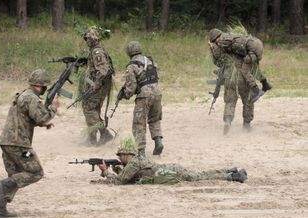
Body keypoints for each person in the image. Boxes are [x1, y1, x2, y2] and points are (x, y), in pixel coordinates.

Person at [0, 69, 59, 217]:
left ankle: (0, 210)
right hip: (20, 146)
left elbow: (27, 118)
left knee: (15, 175)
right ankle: (1, 185)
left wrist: (42, 125)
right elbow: (42, 117)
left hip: (7, 143)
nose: (45, 89)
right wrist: (54, 107)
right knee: (35, 172)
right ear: (39, 85)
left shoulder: (23, 95)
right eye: (44, 86)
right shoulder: (32, 98)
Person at [208, 28, 272, 134]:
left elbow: (218, 63)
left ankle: (228, 122)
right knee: (248, 101)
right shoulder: (243, 50)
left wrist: (212, 49)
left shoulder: (221, 49)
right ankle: (247, 125)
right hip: (244, 79)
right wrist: (263, 82)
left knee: (230, 102)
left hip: (230, 77)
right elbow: (255, 69)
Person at [98, 143, 247, 185]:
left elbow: (120, 182)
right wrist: (117, 169)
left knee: (199, 177)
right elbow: (130, 176)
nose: (120, 158)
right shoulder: (138, 159)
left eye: (121, 156)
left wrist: (106, 171)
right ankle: (229, 170)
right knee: (200, 174)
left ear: (127, 155)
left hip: (171, 173)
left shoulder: (133, 164)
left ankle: (233, 176)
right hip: (170, 169)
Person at [120, 41, 164, 156]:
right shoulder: (150, 60)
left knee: (139, 122)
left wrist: (125, 94)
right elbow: (156, 75)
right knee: (154, 119)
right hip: (157, 93)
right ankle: (158, 141)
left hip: (144, 95)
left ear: (129, 52)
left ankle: (141, 151)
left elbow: (131, 86)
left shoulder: (131, 66)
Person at [81, 27, 114, 146]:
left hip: (99, 86)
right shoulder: (95, 51)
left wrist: (97, 82)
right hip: (99, 85)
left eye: (88, 39)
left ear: (93, 39)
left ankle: (104, 134)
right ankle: (92, 138)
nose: (86, 41)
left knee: (89, 109)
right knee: (94, 111)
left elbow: (104, 70)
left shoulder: (97, 52)